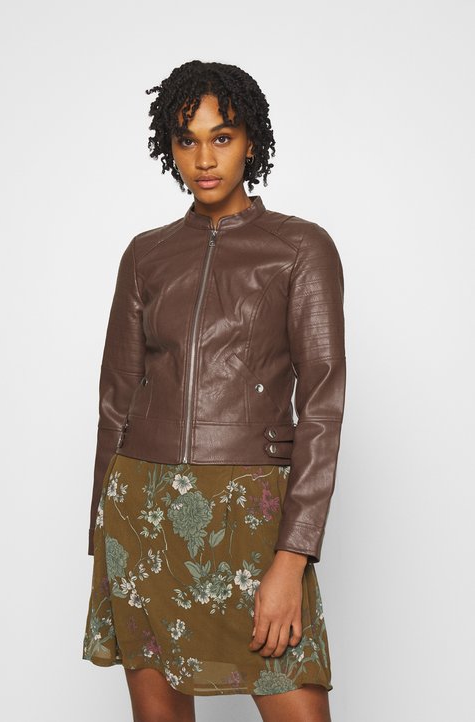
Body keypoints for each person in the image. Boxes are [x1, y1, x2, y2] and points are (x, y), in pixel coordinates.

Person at [82, 59, 346, 722]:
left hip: (249, 516)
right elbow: (117, 399)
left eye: (222, 138)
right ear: (169, 147)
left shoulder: (301, 248)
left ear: (251, 142)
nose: (204, 159)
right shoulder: (146, 255)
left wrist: (293, 556)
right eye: (187, 140)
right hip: (141, 512)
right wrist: (100, 540)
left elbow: (322, 407)